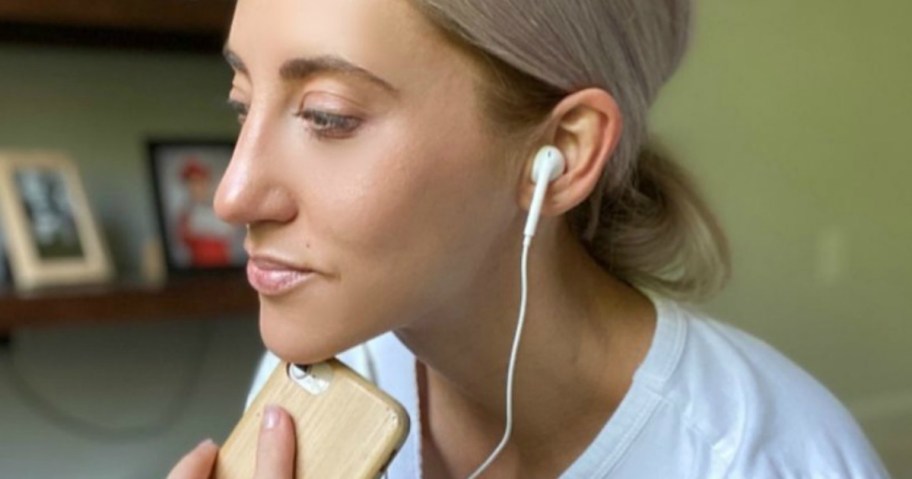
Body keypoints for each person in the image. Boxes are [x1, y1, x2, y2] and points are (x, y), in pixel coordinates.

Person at [169, 0, 888, 477]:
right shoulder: (319, 378)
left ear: (562, 153)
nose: (232, 195)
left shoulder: (770, 458)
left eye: (327, 116)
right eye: (241, 103)